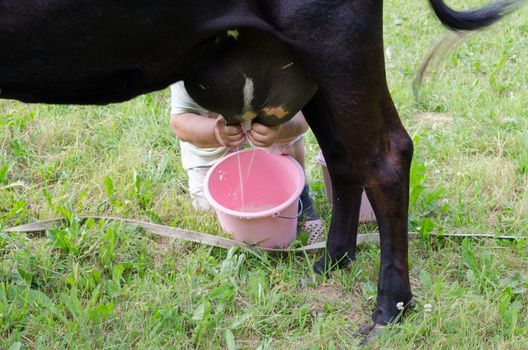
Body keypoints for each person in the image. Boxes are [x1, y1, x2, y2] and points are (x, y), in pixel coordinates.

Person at [169, 81, 324, 244]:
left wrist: (278, 131)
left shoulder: (275, 61)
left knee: (284, 123)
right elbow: (180, 123)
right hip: (212, 151)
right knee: (208, 210)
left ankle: (300, 199)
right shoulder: (191, 67)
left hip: (269, 144)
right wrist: (215, 133)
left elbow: (302, 119)